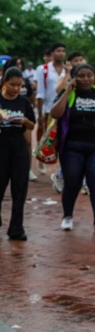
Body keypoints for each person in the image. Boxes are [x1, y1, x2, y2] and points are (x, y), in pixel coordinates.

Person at [0, 67, 35, 241]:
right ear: (4, 83)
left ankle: (16, 228)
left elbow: (32, 125)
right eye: (12, 85)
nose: (16, 89)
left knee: (20, 189)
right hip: (0, 149)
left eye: (19, 86)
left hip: (19, 149)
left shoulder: (24, 102)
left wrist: (25, 121)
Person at [51, 63, 95, 231]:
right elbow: (55, 113)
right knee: (72, 181)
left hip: (93, 148)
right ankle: (67, 215)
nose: (86, 79)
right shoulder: (69, 94)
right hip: (72, 147)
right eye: (81, 76)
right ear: (75, 78)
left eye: (89, 75)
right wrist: (68, 90)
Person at [51, 52, 86, 194]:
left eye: (81, 59)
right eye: (76, 60)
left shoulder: (88, 76)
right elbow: (59, 90)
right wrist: (68, 74)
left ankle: (84, 182)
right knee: (73, 159)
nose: (79, 62)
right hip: (68, 123)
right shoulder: (67, 76)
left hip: (87, 126)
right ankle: (60, 175)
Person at [35, 43, 66, 174]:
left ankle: (60, 169)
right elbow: (40, 91)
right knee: (48, 137)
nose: (61, 54)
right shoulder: (43, 69)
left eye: (63, 51)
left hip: (64, 108)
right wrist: (41, 112)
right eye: (58, 51)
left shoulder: (67, 70)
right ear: (52, 53)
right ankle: (40, 157)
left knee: (62, 138)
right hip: (49, 108)